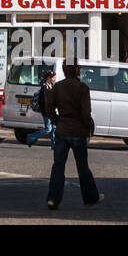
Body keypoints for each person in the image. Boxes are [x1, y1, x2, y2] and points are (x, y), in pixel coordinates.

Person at [45, 62, 101, 209]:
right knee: (82, 167)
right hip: (78, 131)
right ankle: (90, 198)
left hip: (62, 131)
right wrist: (89, 126)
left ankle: (53, 199)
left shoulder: (57, 87)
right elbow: (85, 113)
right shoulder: (82, 88)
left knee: (58, 166)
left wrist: (57, 121)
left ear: (64, 70)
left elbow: (49, 108)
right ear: (76, 70)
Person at [26, 68, 57, 148]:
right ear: (49, 78)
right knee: (48, 129)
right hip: (47, 111)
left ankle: (54, 145)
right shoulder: (44, 87)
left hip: (52, 111)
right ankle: (31, 136)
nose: (54, 79)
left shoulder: (52, 86)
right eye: (53, 77)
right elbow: (44, 101)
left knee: (54, 127)